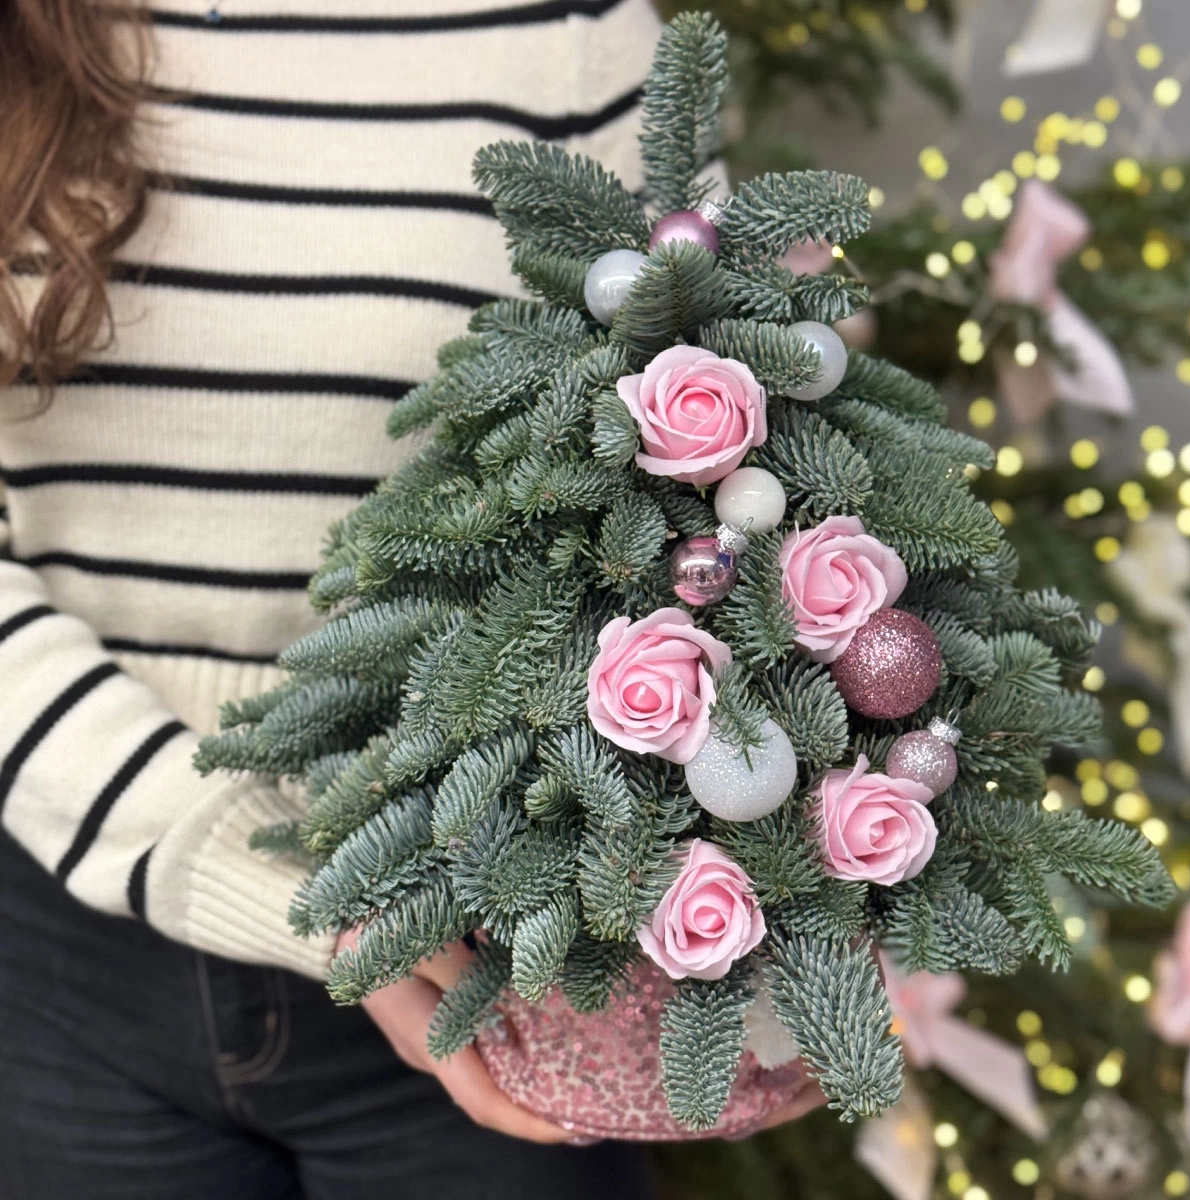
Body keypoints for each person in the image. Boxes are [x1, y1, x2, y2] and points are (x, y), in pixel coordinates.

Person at [0, 1, 823, 1195]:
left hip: (488, 940)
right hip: (56, 942)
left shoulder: (572, 33)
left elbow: (713, 483)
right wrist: (256, 867)